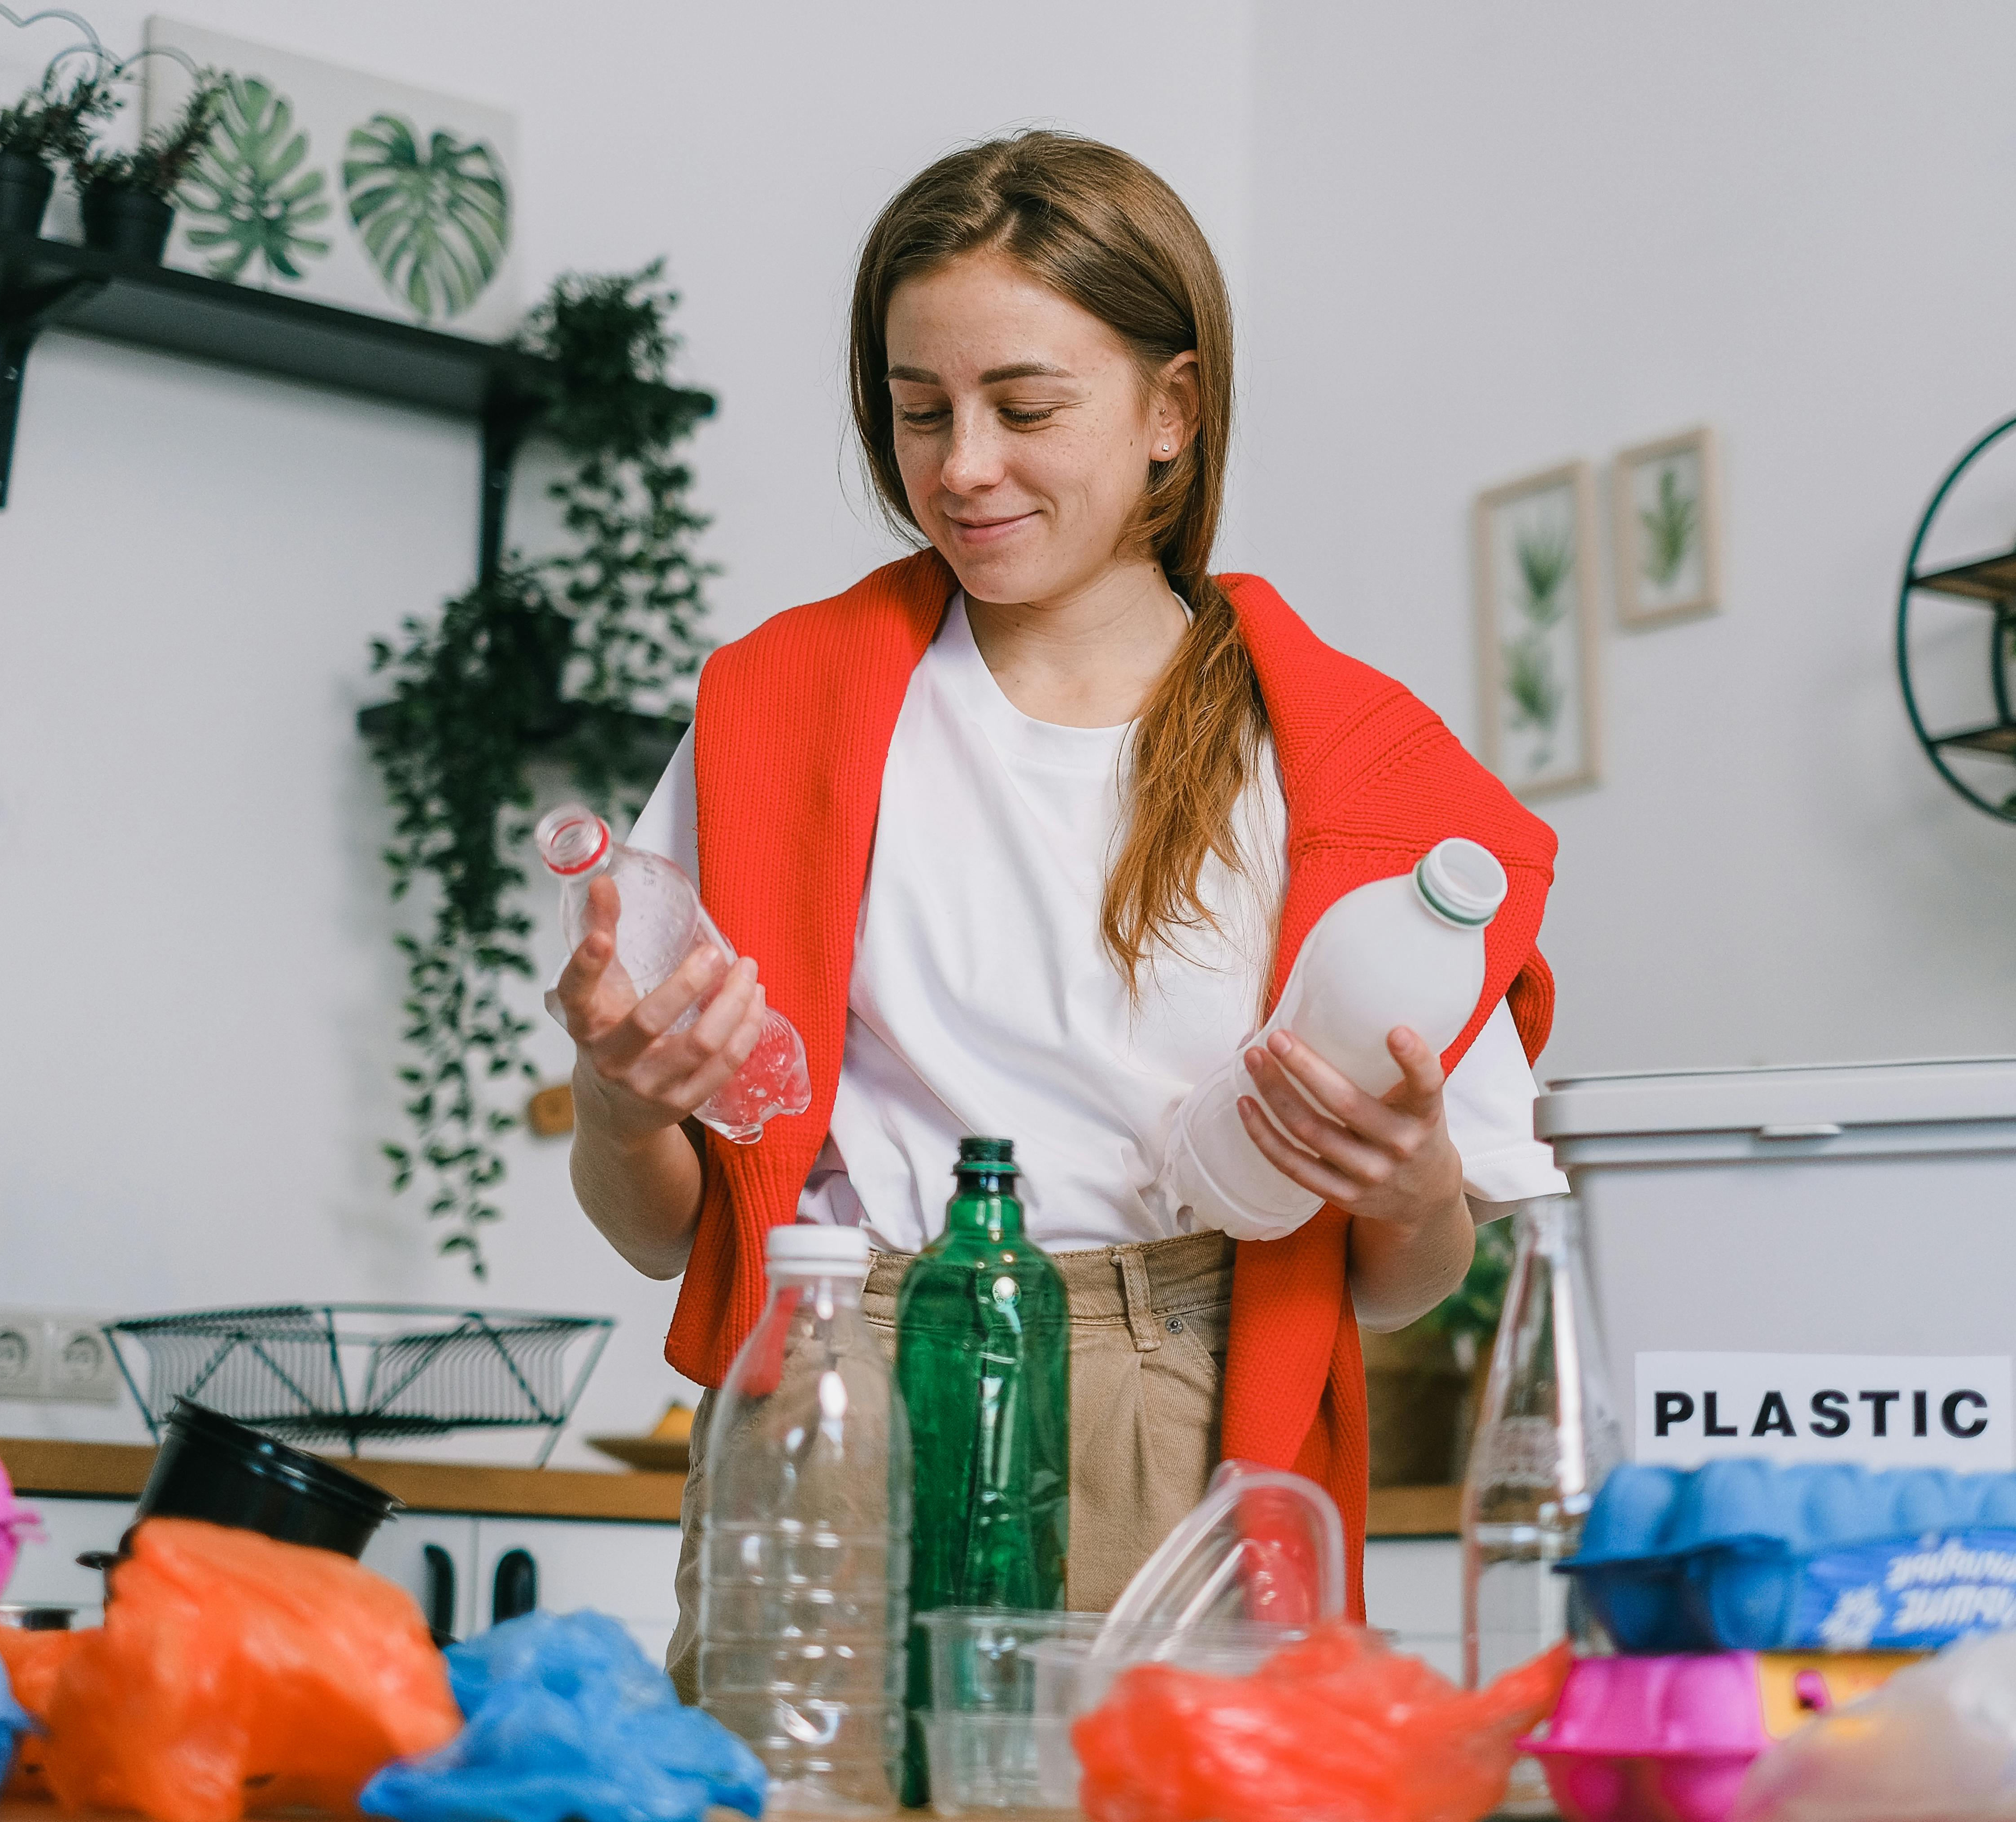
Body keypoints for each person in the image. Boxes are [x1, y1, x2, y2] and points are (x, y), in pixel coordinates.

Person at [549, 130, 1566, 1696]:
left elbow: (1402, 1273)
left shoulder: (1354, 774)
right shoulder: (775, 719)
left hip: (1190, 1421)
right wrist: (624, 1109)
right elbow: (668, 1231)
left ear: (1173, 410)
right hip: (839, 1400)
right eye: (916, 411)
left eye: (1026, 409)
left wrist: (1410, 1180)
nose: (961, 467)